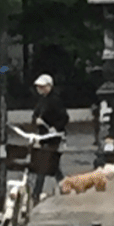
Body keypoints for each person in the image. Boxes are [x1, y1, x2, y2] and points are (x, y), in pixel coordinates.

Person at [31, 73, 69, 202]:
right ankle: (64, 186)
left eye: (42, 86)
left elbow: (64, 118)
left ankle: (36, 192)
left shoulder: (55, 100)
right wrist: (37, 121)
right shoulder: (41, 101)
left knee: (44, 163)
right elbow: (35, 115)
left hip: (53, 137)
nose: (40, 89)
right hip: (44, 136)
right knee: (52, 164)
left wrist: (56, 127)